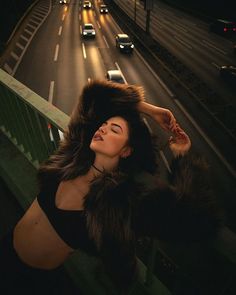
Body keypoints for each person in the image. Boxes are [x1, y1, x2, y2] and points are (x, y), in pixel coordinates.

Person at [0, 80, 221, 294]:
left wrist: (183, 156)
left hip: (32, 282)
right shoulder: (73, 157)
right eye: (103, 125)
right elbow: (93, 96)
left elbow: (197, 218)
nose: (103, 129)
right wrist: (148, 109)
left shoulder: (118, 201)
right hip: (6, 246)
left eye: (114, 130)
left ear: (126, 151)